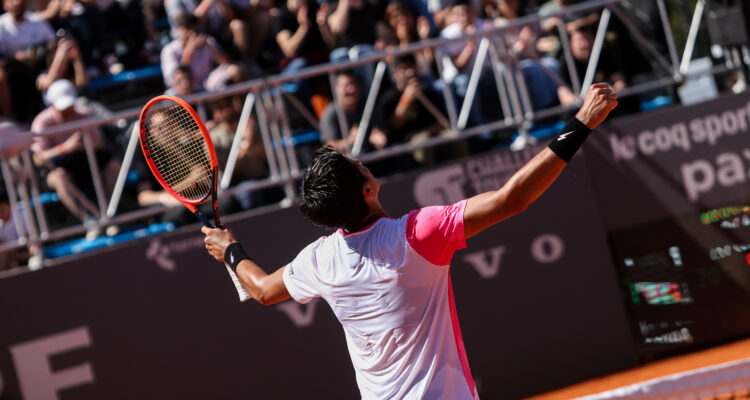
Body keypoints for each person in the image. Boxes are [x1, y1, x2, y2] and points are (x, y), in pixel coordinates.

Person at [201, 82, 618, 399]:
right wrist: (581, 124)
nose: (360, 159)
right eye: (355, 163)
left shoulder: (319, 260)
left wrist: (230, 251)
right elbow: (513, 199)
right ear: (366, 191)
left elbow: (261, 290)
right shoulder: (415, 236)